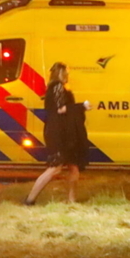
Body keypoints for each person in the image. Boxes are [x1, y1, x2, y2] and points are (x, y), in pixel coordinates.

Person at [24, 62, 91, 205]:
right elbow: (61, 109)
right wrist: (82, 106)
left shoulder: (57, 88)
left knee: (73, 166)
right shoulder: (57, 87)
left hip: (66, 131)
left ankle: (72, 201)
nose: (68, 75)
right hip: (59, 132)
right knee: (55, 168)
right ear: (61, 73)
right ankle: (30, 199)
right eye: (67, 72)